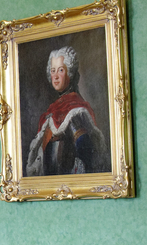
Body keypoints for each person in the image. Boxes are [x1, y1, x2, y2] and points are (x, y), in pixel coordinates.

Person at [25, 46, 108, 176]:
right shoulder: (51, 112)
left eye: (61, 70)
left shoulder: (75, 113)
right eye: (53, 71)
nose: (56, 76)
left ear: (70, 73)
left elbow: (86, 156)